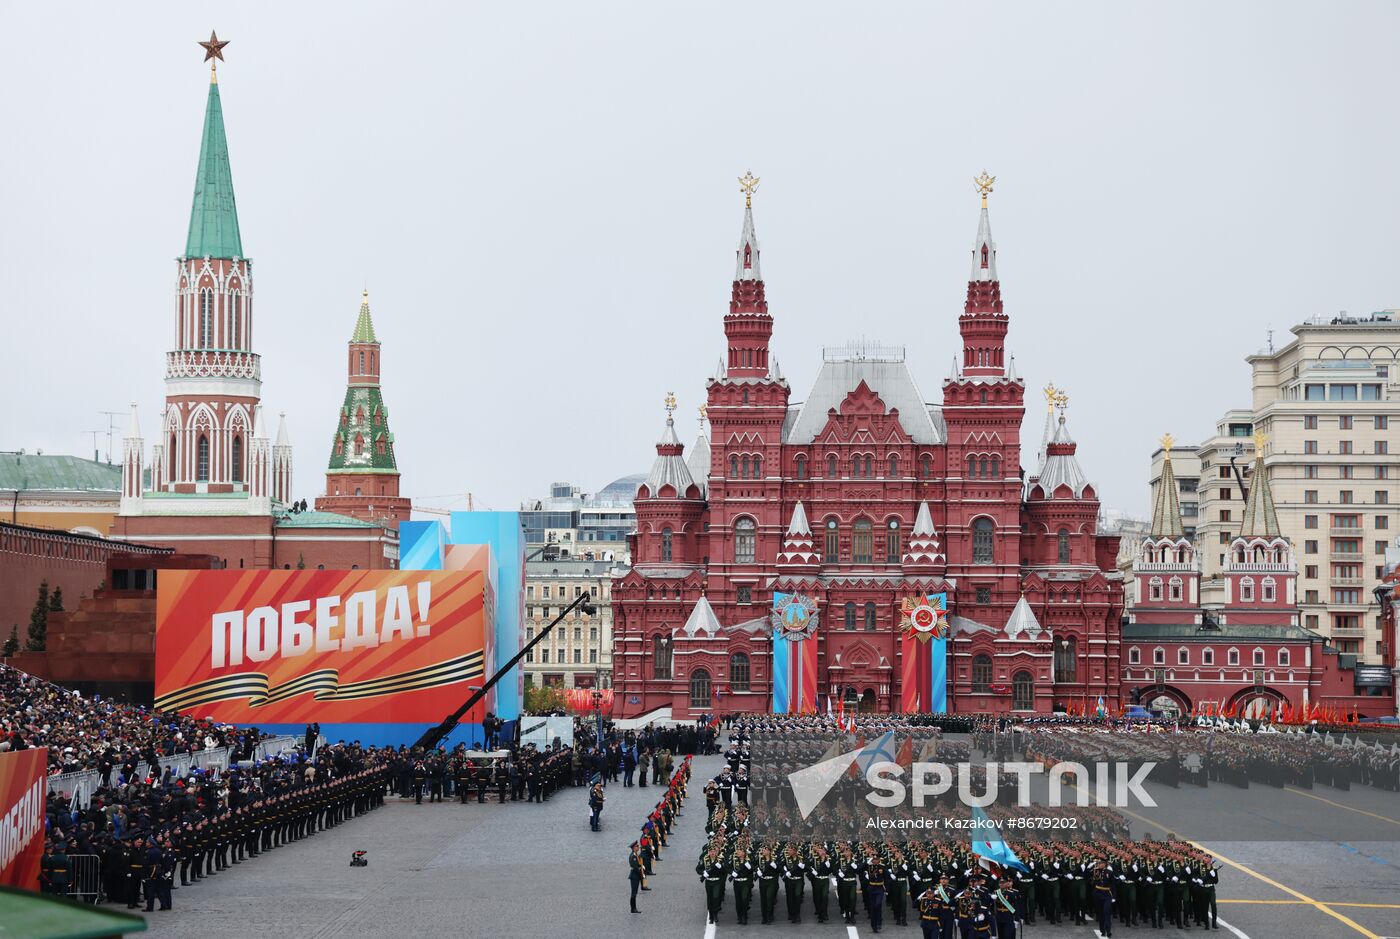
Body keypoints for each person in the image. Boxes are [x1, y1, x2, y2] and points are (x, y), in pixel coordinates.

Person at [730, 846, 755, 925]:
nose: (737, 852)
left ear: (744, 853)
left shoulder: (748, 860)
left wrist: (750, 867)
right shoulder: (734, 860)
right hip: (737, 882)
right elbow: (727, 867)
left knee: (744, 899)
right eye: (737, 851)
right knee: (738, 900)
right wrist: (732, 872)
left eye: (740, 851)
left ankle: (744, 916)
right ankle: (739, 916)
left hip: (745, 883)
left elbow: (754, 869)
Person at [1092, 860, 1116, 937]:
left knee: (1107, 912)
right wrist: (1095, 873)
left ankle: (1108, 931)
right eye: (1099, 864)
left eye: (1102, 863)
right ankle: (1102, 930)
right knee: (1100, 913)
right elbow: (1094, 881)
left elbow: (1113, 885)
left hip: (1107, 894)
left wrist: (1114, 896)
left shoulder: (1110, 872)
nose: (1100, 865)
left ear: (1105, 864)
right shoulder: (1095, 871)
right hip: (1098, 893)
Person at [867, 857, 888, 933]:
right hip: (872, 888)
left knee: (878, 904)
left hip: (879, 888)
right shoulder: (869, 866)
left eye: (876, 859)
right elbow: (859, 869)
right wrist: (867, 862)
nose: (875, 861)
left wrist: (887, 889)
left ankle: (879, 921)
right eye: (873, 859)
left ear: (879, 860)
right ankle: (874, 925)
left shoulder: (882, 867)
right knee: (873, 907)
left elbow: (886, 878)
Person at [628, 842, 645, 914]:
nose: (638, 847)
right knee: (634, 893)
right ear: (633, 848)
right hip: (634, 876)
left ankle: (634, 908)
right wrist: (641, 875)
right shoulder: (633, 856)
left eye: (638, 846)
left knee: (635, 893)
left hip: (636, 876)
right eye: (637, 846)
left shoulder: (636, 855)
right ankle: (633, 909)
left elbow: (639, 863)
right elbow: (635, 868)